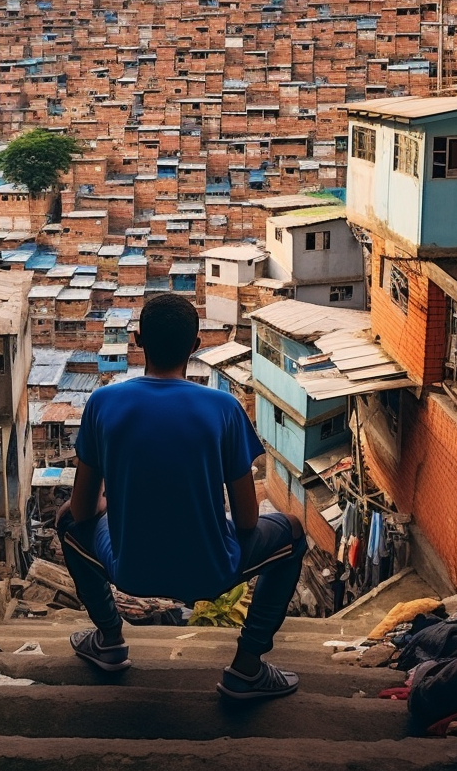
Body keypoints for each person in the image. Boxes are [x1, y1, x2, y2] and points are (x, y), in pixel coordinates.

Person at [57, 293, 306, 700]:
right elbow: (246, 521)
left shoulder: (103, 402)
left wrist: (105, 505)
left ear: (138, 340)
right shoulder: (223, 408)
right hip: (213, 572)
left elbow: (83, 509)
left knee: (68, 519)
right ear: (195, 345)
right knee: (293, 532)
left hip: (129, 570)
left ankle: (109, 640)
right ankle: (247, 667)